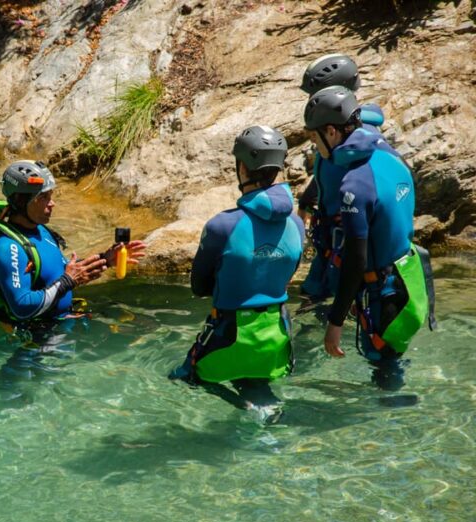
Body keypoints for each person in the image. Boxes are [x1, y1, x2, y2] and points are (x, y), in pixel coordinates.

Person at [303, 86, 434, 390]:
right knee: (392, 360)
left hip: (385, 295)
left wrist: (335, 323)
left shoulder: (355, 184)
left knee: (386, 373)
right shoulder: (388, 156)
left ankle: (387, 432)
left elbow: (355, 259)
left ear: (332, 132)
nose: (315, 149)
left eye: (314, 140)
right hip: (410, 277)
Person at [169, 126, 305, 416]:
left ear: (242, 167)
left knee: (183, 377)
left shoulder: (223, 225)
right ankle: (264, 413)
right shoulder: (297, 224)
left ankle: (247, 408)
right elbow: (288, 272)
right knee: (256, 384)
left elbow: (199, 286)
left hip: (229, 335)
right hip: (276, 337)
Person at [0, 160, 146, 323]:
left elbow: (56, 271)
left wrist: (105, 259)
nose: (52, 203)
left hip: (64, 321)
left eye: (51, 195)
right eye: (43, 197)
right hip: (39, 340)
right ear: (22, 201)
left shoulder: (41, 230)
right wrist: (69, 281)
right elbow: (22, 307)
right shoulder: (8, 248)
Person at [297, 54, 387, 302]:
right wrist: (306, 201)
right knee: (311, 296)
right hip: (329, 232)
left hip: (347, 233)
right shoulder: (335, 129)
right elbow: (326, 170)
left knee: (332, 303)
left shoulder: (356, 136)